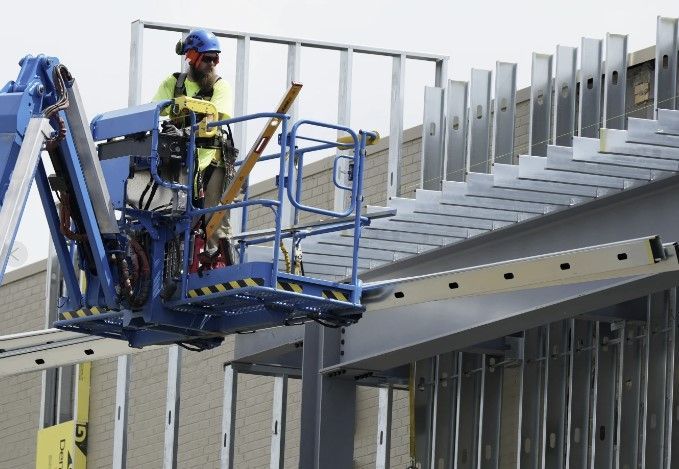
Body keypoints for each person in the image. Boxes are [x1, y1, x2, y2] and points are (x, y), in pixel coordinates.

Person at [153, 29, 236, 267]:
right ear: (192, 57)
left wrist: (189, 130)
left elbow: (215, 120)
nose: (212, 64)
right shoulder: (174, 84)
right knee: (166, 208)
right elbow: (153, 110)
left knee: (214, 212)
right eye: (207, 58)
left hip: (212, 159)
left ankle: (213, 256)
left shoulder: (220, 87)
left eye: (215, 59)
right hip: (180, 159)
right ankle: (171, 258)